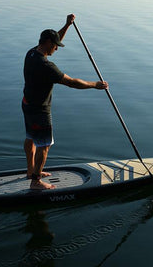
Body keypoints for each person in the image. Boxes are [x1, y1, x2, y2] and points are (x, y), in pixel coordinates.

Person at [22, 14, 108, 190]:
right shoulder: (47, 67)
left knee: (30, 138)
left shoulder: (31, 53)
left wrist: (67, 25)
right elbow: (72, 82)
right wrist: (95, 85)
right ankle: (36, 182)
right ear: (47, 43)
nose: (57, 48)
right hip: (40, 110)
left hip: (27, 104)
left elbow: (55, 37)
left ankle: (31, 172)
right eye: (55, 45)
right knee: (44, 145)